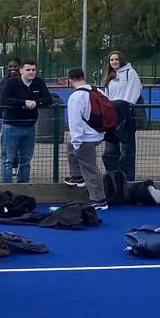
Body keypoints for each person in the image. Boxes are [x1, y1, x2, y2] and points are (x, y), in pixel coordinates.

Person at [0, 58, 54, 184]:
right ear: (21, 70)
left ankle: (23, 187)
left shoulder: (39, 83)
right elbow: (3, 100)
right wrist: (23, 103)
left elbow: (48, 99)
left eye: (33, 70)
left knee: (25, 161)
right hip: (11, 126)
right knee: (8, 161)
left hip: (30, 126)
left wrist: (36, 103)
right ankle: (7, 189)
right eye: (28, 70)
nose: (31, 72)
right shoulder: (11, 83)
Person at [64, 68, 108, 205]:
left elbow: (75, 122)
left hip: (86, 137)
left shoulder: (75, 97)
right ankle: (77, 177)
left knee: (89, 168)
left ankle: (99, 199)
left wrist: (77, 141)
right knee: (70, 147)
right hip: (98, 133)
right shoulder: (97, 91)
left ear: (70, 80)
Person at [101, 49, 142, 181]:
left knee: (126, 150)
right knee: (110, 150)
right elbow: (106, 95)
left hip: (125, 116)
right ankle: (112, 178)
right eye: (111, 60)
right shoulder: (110, 76)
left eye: (116, 59)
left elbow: (134, 91)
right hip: (111, 116)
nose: (114, 62)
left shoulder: (130, 73)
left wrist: (124, 107)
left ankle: (127, 179)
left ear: (121, 60)